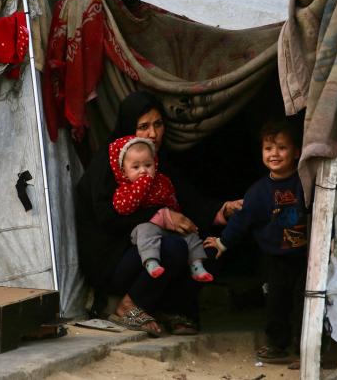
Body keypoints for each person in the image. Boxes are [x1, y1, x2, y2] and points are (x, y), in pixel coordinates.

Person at [76, 90, 242, 337]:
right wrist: (159, 216)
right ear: (127, 127)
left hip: (149, 255)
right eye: (143, 127)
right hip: (112, 259)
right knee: (173, 247)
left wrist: (224, 210)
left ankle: (169, 308)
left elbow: (190, 203)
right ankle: (127, 306)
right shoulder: (108, 164)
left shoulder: (158, 162)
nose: (152, 134)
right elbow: (107, 219)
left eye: (158, 124)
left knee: (212, 245)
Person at [204, 118, 308, 363]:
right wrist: (222, 243)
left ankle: (306, 348)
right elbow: (242, 220)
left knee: (305, 301)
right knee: (276, 302)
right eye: (268, 148)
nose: (274, 154)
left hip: (305, 256)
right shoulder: (259, 191)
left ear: (297, 152)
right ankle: (276, 345)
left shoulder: (307, 182)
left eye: (282, 148)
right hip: (273, 257)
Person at [108, 134, 213, 282]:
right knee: (145, 231)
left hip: (170, 225)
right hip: (147, 227)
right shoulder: (124, 190)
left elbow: (172, 199)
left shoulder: (162, 181)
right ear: (124, 172)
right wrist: (142, 185)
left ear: (155, 163)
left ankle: (197, 265)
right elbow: (123, 208)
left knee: (190, 235)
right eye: (136, 167)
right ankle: (151, 262)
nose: (143, 171)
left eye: (148, 165)